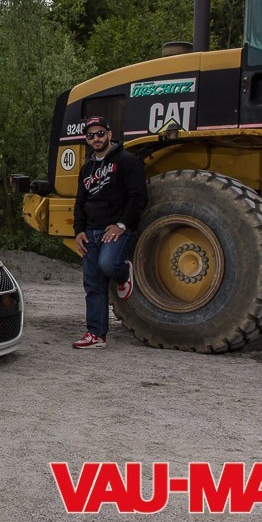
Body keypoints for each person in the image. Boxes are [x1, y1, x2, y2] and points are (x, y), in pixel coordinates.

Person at [71, 116, 148, 349]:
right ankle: (96, 335)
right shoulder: (86, 168)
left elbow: (138, 197)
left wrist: (121, 225)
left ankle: (124, 273)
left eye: (100, 133)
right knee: (92, 286)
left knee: (108, 265)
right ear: (87, 139)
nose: (96, 138)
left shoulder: (127, 161)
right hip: (91, 233)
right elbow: (80, 202)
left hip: (116, 230)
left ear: (109, 134)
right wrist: (78, 231)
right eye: (91, 135)